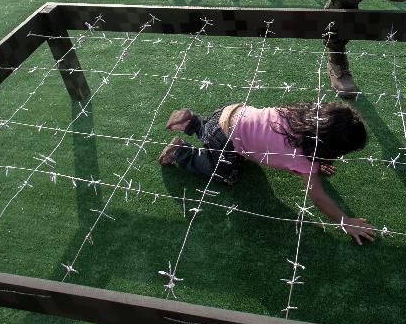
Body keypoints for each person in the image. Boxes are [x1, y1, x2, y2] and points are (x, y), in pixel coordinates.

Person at [158, 102, 376, 245]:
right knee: (227, 175)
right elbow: (317, 197)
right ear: (328, 147)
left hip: (229, 111)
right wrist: (345, 221)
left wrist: (316, 163)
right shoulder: (301, 157)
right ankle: (181, 151)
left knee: (225, 140)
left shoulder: (300, 117)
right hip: (223, 139)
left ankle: (196, 122)